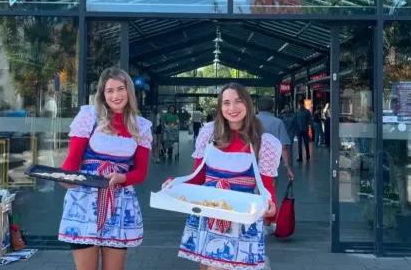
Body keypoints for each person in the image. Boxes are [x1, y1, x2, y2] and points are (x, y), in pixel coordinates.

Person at [163, 83, 281, 270]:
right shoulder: (209, 134)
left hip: (241, 216)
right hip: (209, 212)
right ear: (220, 107)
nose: (232, 108)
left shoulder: (263, 142)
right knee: (206, 266)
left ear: (248, 104)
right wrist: (176, 183)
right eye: (226, 103)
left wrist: (271, 206)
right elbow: (198, 176)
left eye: (238, 102)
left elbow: (266, 185)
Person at [58, 67, 153, 270]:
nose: (116, 95)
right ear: (102, 94)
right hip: (84, 200)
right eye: (109, 90)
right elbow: (72, 160)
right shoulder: (88, 118)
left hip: (120, 202)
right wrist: (65, 178)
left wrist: (122, 178)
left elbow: (141, 172)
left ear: (129, 91)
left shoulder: (141, 126)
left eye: (120, 89)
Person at [256, 96, 294, 182]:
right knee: (270, 190)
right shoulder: (278, 122)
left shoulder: (249, 122)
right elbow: (284, 147)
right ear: (272, 108)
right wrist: (289, 168)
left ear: (258, 108)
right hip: (270, 167)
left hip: (251, 165)